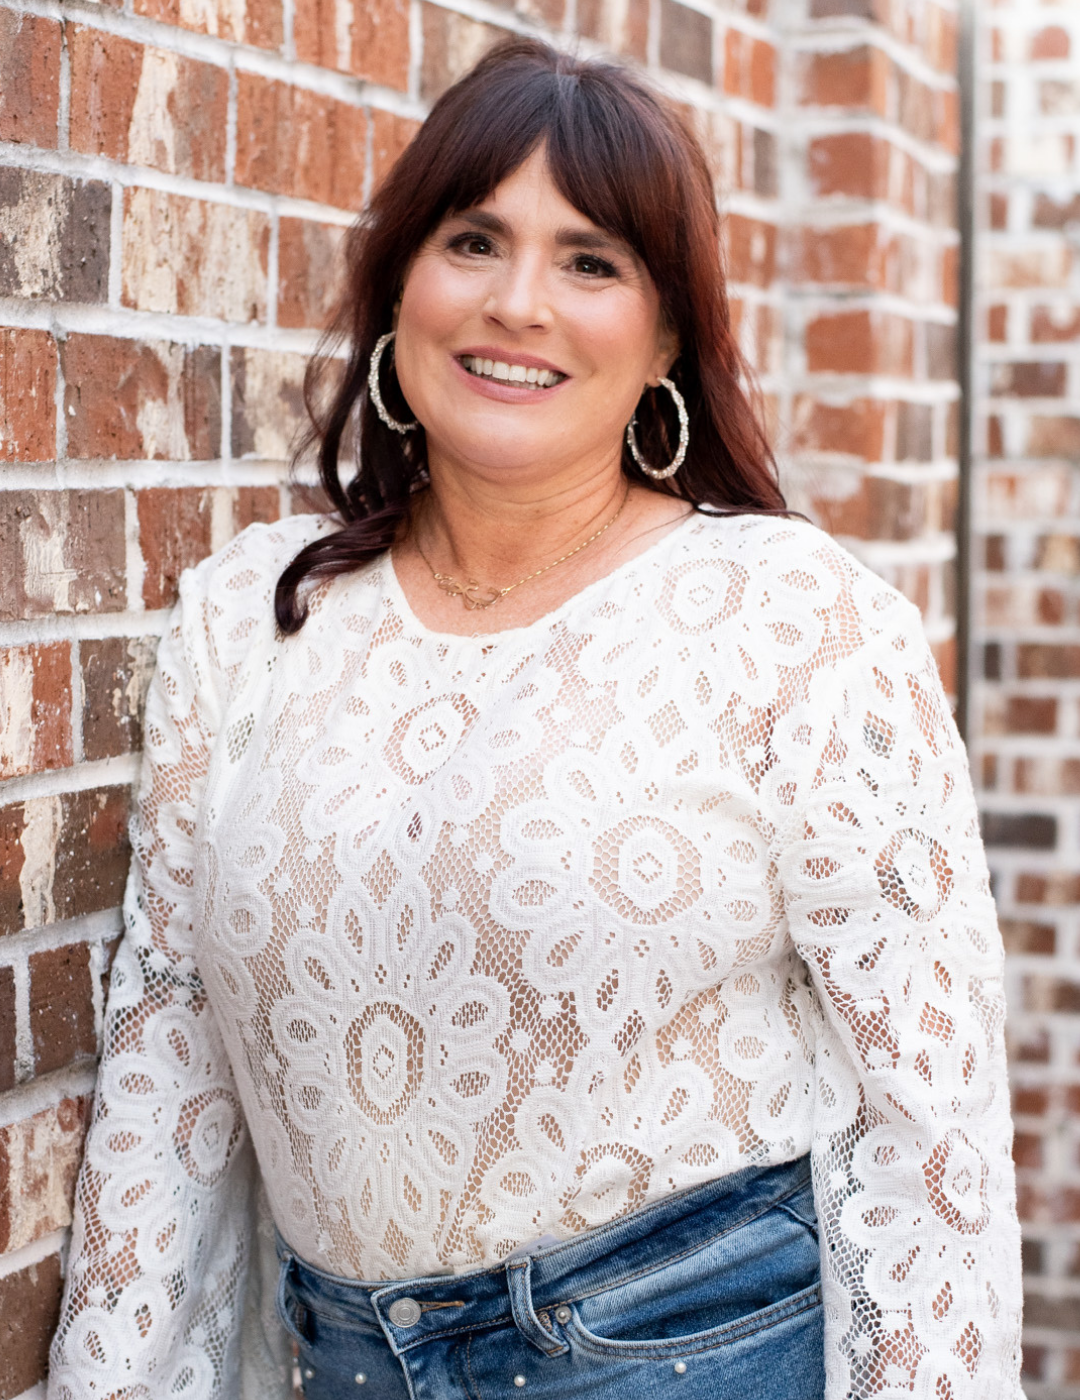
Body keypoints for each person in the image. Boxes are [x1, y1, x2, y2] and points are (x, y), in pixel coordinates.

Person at [49, 36, 1023, 1400]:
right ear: (399, 283)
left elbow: (932, 1128)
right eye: (473, 240)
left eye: (591, 262)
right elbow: (170, 1064)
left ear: (669, 331)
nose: (519, 303)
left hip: (692, 1354)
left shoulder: (793, 620)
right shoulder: (247, 619)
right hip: (343, 1364)